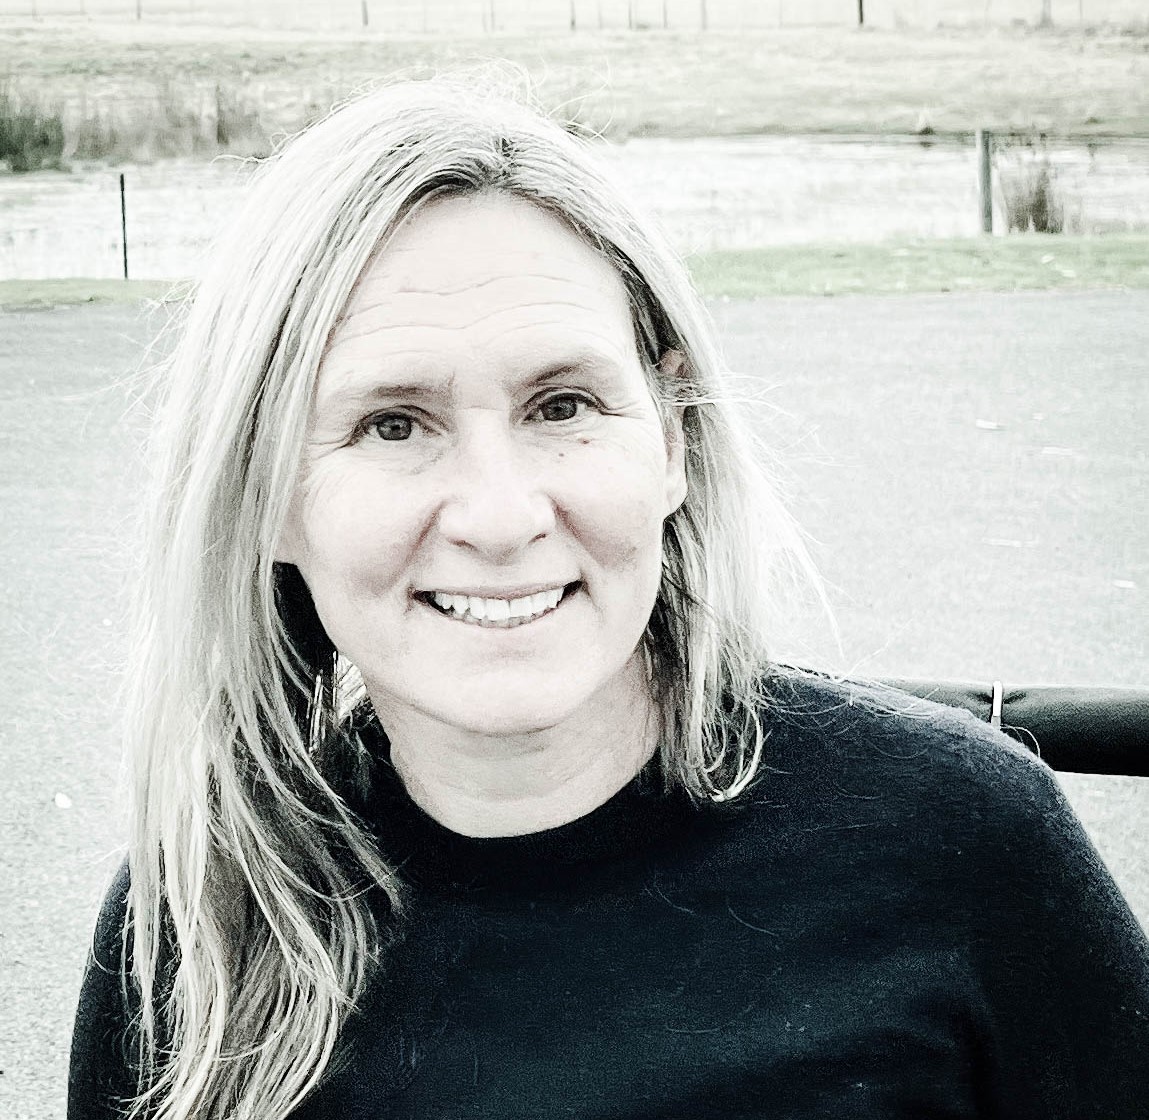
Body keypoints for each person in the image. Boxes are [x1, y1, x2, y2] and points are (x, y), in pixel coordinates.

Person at [68, 76, 1149, 1120]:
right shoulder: (200, 930)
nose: (501, 517)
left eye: (564, 404)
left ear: (673, 440)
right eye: (393, 424)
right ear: (263, 496)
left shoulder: (966, 848)